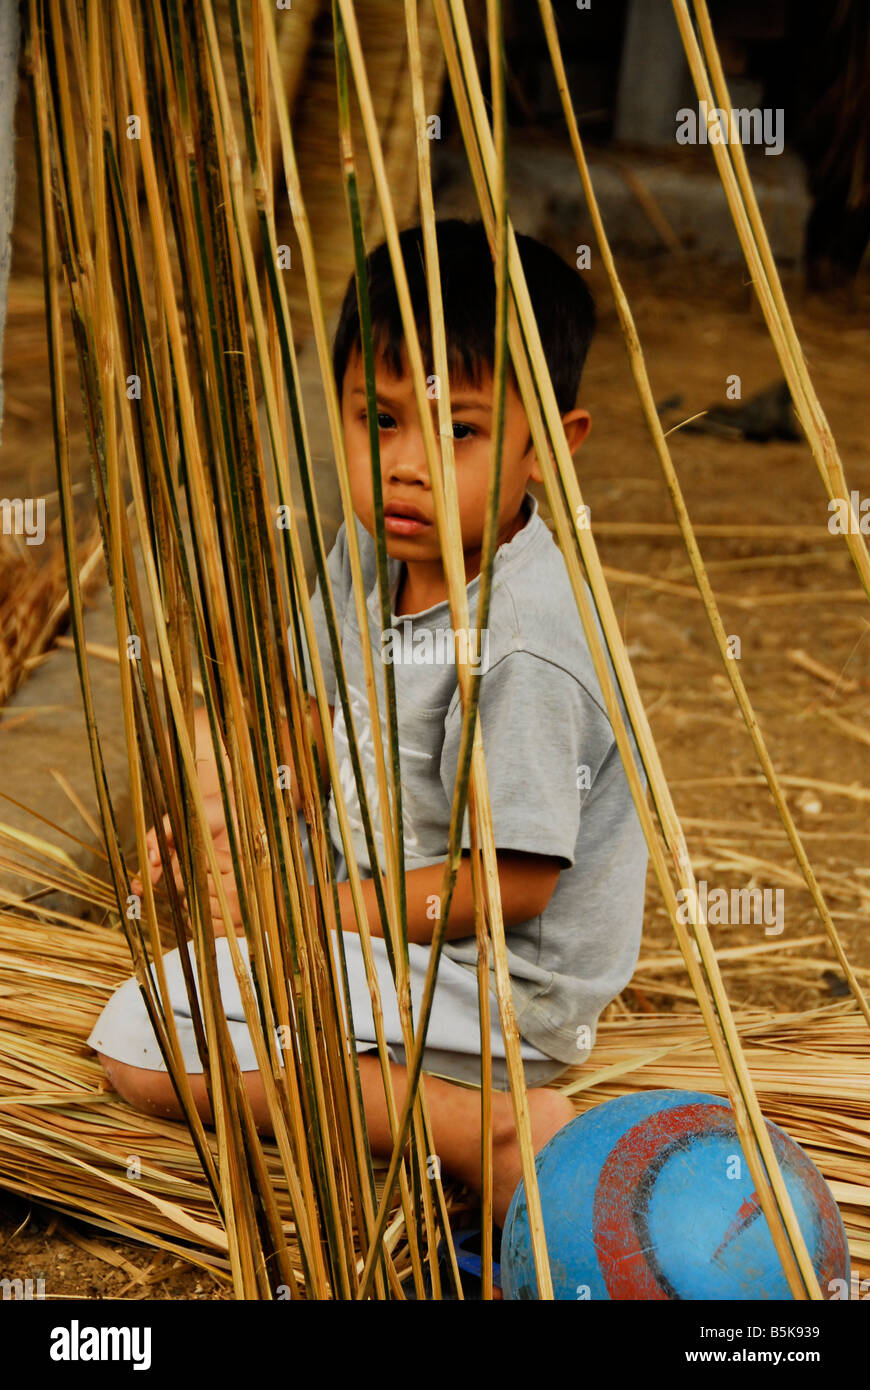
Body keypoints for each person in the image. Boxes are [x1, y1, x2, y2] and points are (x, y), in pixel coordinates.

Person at [89, 220, 648, 1233]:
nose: (406, 466)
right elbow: (313, 719)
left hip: (493, 980)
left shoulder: (521, 648)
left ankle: (477, 1128)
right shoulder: (366, 551)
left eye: (458, 432)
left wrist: (303, 915)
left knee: (139, 1049)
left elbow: (513, 884)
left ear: (552, 449)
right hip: (376, 896)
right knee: (195, 972)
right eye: (377, 419)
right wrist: (227, 818)